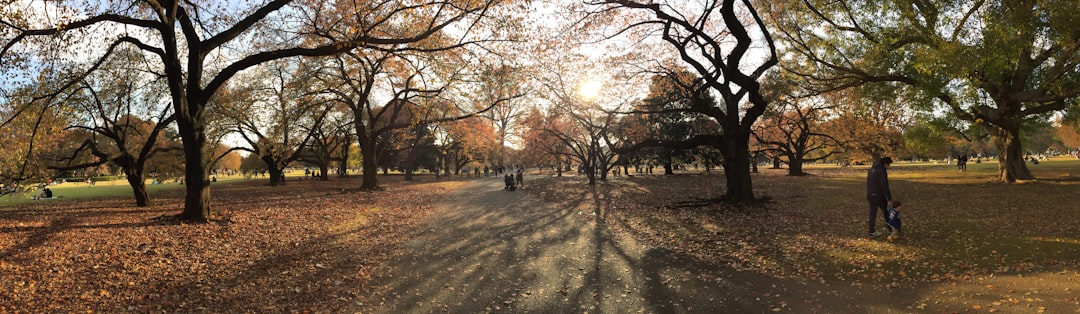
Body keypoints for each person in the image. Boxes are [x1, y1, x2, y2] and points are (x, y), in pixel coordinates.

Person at [866, 156, 894, 238]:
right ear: (885, 164)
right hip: (878, 195)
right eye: (889, 165)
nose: (889, 167)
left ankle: (872, 231)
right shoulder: (881, 171)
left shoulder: (871, 170)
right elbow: (885, 186)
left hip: (871, 194)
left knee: (872, 213)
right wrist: (889, 198)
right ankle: (891, 228)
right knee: (886, 211)